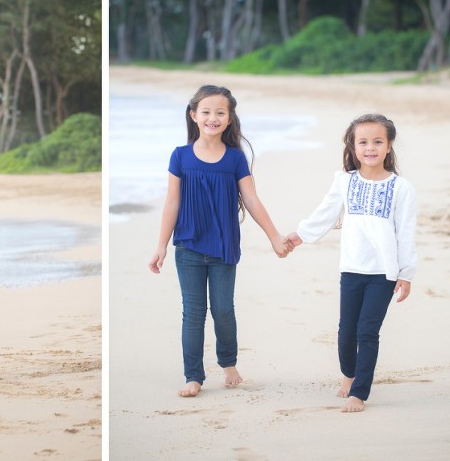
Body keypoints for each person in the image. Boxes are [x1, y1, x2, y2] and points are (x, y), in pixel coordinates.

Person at [148, 85, 291, 398]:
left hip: (224, 247)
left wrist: (274, 237)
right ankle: (193, 377)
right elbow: (172, 203)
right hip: (187, 246)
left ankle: (228, 364)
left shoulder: (235, 159)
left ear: (229, 119)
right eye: (206, 111)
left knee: (224, 309)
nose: (213, 117)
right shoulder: (181, 156)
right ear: (194, 116)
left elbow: (251, 200)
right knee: (193, 312)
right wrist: (161, 245)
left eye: (220, 112)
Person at [286, 113, 416, 413]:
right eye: (363, 142)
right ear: (353, 146)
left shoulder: (402, 188)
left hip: (383, 273)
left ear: (388, 145)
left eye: (377, 141)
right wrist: (300, 235)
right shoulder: (345, 181)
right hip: (351, 269)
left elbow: (405, 233)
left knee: (367, 332)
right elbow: (326, 213)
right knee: (346, 331)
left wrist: (406, 273)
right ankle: (348, 376)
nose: (370, 148)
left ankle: (359, 393)